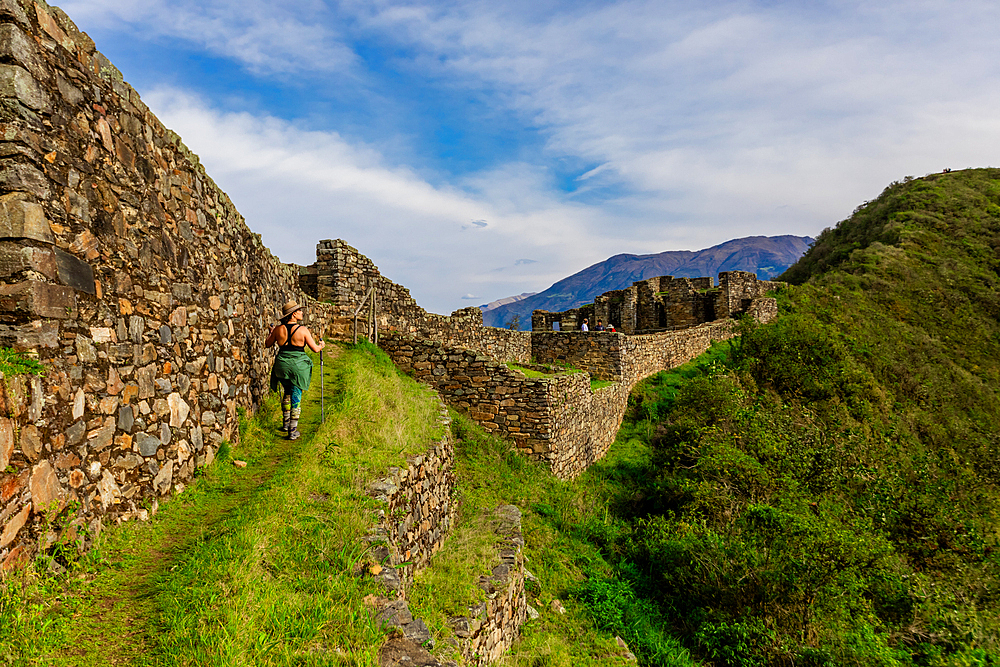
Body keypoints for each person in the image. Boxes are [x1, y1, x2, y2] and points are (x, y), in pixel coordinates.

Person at [265, 300, 325, 440]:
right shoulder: (303, 330)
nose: (301, 312)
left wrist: (272, 333)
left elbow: (268, 344)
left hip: (282, 365)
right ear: (293, 314)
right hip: (297, 365)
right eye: (299, 311)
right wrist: (321, 345)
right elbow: (315, 349)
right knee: (296, 394)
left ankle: (286, 423)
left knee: (287, 391)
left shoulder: (279, 330)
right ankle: (292, 430)